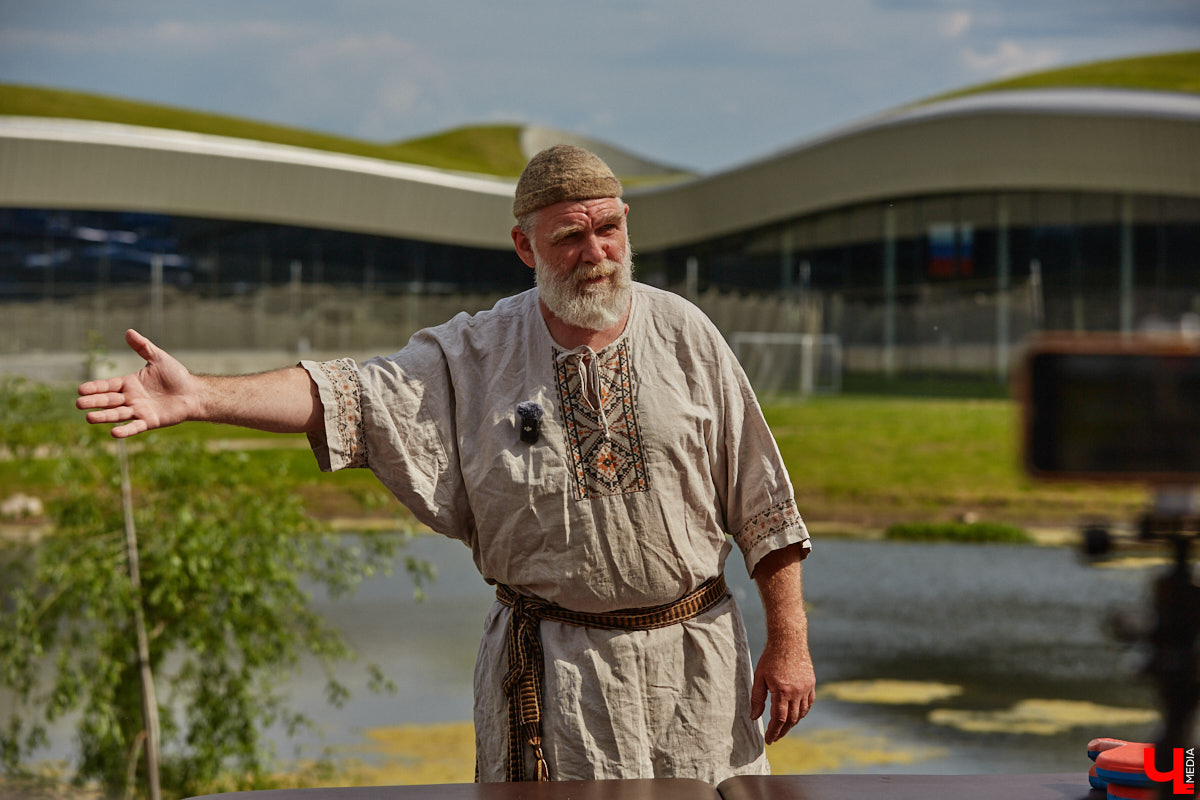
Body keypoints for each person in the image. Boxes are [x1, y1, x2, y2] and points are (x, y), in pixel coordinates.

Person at [77, 144, 816, 785]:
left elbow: (764, 505)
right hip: (554, 685)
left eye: (609, 230)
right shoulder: (473, 354)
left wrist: (789, 643)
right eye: (569, 238)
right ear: (525, 248)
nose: (596, 255)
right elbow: (351, 395)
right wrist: (202, 396)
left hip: (696, 671)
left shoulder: (687, 334)